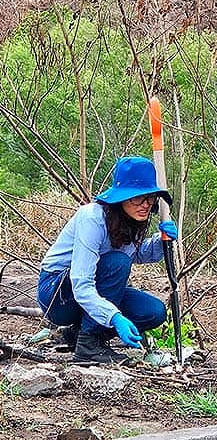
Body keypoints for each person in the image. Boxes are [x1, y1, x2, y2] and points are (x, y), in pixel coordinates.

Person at [38, 156, 178, 365]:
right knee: (118, 263)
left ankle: (78, 334)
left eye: (150, 198)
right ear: (121, 197)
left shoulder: (132, 218)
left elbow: (138, 254)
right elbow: (82, 283)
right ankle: (89, 345)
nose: (145, 205)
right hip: (58, 293)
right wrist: (114, 317)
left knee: (153, 312)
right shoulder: (92, 218)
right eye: (137, 198)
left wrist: (161, 241)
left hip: (94, 289)